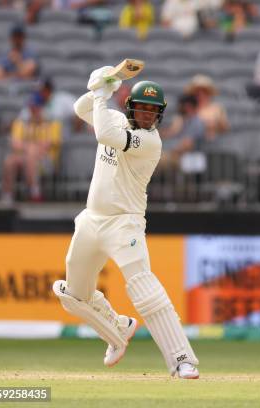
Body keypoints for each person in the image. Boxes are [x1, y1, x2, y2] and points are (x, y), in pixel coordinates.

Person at [51, 67, 200, 379]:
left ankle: (182, 359)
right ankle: (118, 328)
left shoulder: (150, 142)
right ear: (131, 106)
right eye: (142, 108)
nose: (147, 115)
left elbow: (105, 135)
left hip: (124, 224)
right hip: (92, 220)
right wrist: (98, 86)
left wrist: (104, 97)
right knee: (71, 295)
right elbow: (82, 110)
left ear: (159, 115)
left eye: (153, 110)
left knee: (144, 289)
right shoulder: (114, 117)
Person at [2, 92, 62, 203]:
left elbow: (49, 144)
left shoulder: (52, 122)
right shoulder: (22, 122)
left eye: (36, 107)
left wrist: (29, 147)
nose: (33, 110)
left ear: (42, 107)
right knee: (10, 160)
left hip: (47, 162)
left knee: (32, 155)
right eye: (31, 107)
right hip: (25, 157)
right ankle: (8, 194)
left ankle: (35, 192)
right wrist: (30, 147)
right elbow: (15, 143)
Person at [185, 75, 229, 140]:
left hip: (213, 141)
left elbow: (225, 128)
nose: (200, 95)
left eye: (204, 92)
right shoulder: (188, 108)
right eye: (197, 92)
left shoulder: (217, 108)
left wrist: (215, 125)